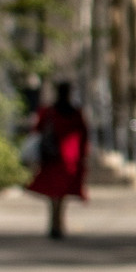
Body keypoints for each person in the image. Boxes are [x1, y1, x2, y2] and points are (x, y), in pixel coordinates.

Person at [27, 80, 89, 239]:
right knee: (62, 194)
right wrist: (83, 156)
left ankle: (54, 222)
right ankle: (58, 222)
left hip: (52, 157)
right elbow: (83, 135)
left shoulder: (49, 112)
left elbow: (37, 130)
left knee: (53, 193)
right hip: (69, 158)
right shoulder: (75, 113)